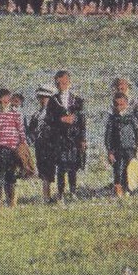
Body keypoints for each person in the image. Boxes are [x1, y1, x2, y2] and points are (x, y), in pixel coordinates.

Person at [44, 70, 87, 201]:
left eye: (64, 82)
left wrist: (83, 139)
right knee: (61, 167)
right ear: (56, 84)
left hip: (74, 137)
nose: (62, 85)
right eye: (59, 83)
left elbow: (82, 121)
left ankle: (73, 192)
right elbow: (49, 120)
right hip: (60, 138)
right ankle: (61, 193)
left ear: (69, 82)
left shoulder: (78, 100)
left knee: (73, 166)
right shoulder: (53, 100)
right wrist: (61, 120)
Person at [0, 89, 25, 208]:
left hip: (12, 149)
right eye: (0, 102)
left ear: (10, 101)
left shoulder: (15, 115)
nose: (2, 105)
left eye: (5, 102)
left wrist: (23, 145)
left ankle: (12, 201)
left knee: (11, 176)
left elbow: (21, 132)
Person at [104, 92, 138, 196]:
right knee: (118, 169)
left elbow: (137, 133)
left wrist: (136, 147)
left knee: (130, 169)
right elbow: (108, 137)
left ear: (126, 104)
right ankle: (118, 190)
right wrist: (110, 152)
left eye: (122, 104)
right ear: (113, 105)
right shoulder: (112, 119)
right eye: (116, 104)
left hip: (130, 148)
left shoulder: (131, 118)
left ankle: (129, 189)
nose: (119, 107)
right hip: (117, 149)